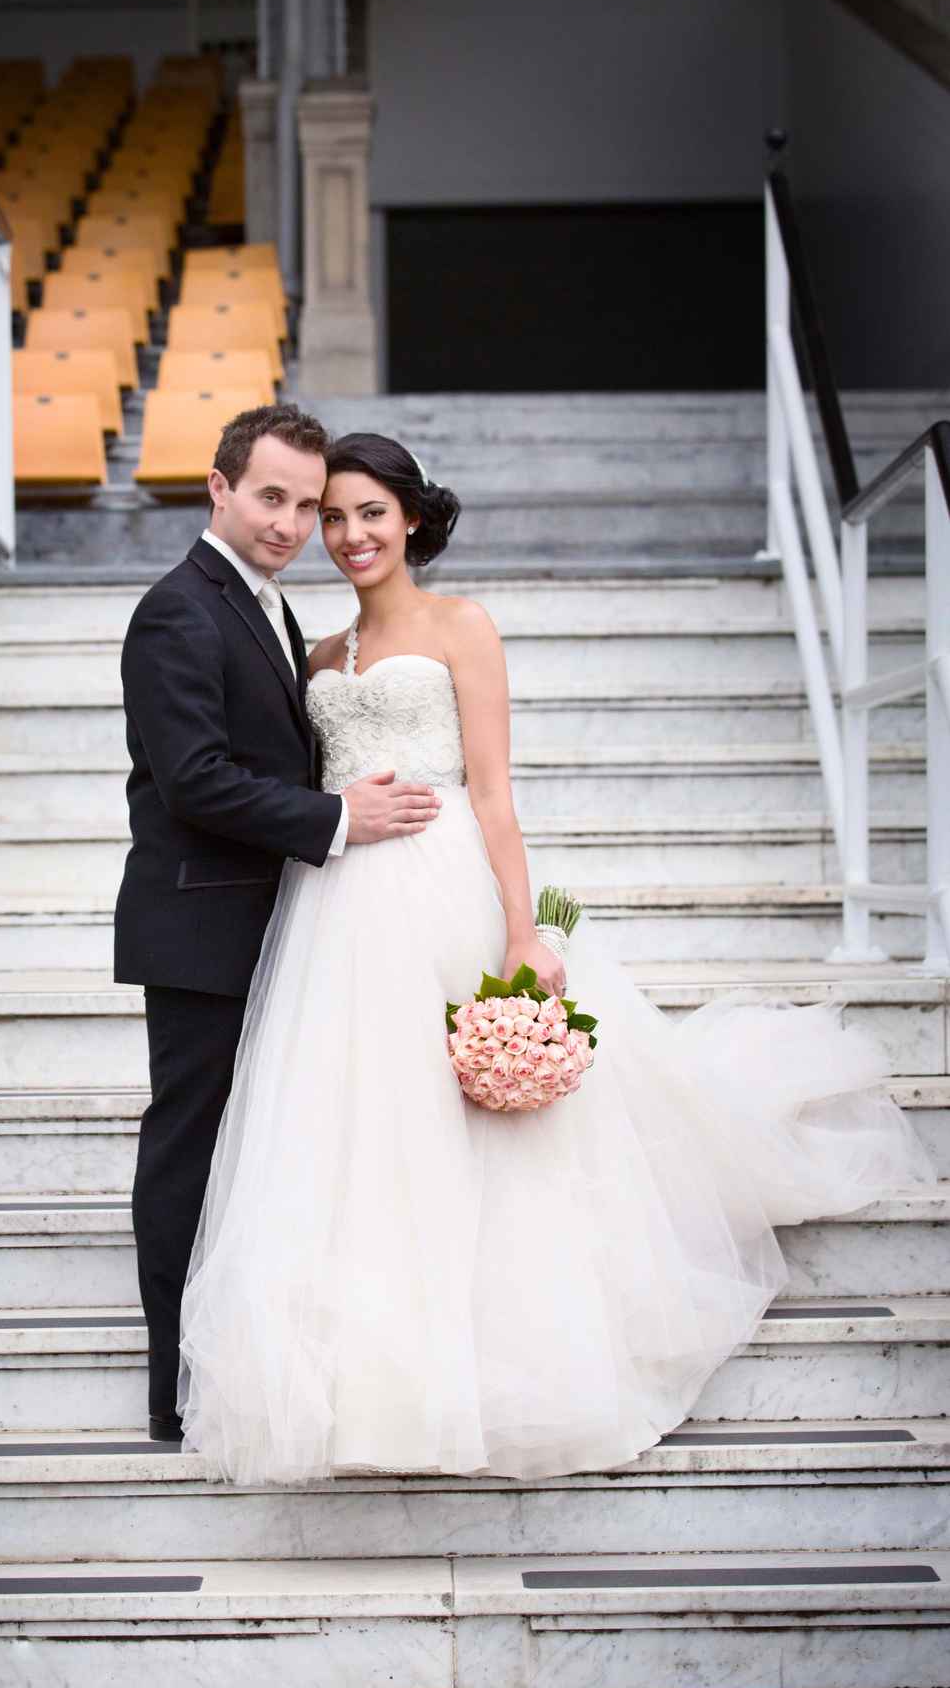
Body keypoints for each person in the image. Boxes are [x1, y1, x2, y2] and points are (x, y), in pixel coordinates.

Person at [176, 430, 938, 1484]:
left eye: (368, 514)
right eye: (332, 516)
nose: (347, 535)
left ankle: (499, 1349)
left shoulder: (462, 628)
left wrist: (523, 930)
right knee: (359, 1124)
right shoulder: (315, 653)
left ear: (411, 519)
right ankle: (374, 1376)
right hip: (338, 907)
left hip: (442, 883)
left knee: (485, 1122)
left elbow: (491, 792)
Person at [115, 405, 440, 1443]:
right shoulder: (180, 610)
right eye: (272, 497)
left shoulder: (267, 607)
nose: (293, 523)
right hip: (203, 930)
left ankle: (242, 1364)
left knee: (259, 1154)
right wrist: (340, 817)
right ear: (218, 488)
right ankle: (172, 1391)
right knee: (190, 1151)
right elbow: (198, 780)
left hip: (280, 925)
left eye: (308, 504)